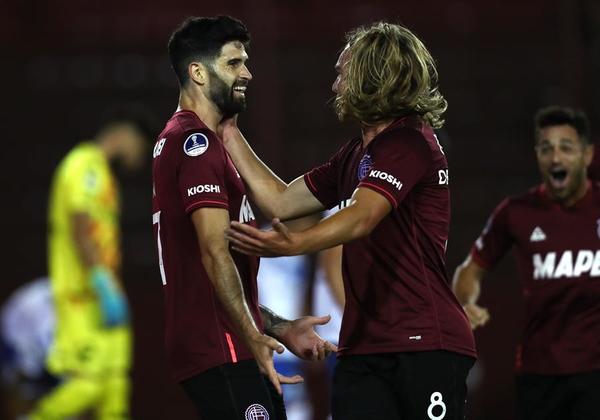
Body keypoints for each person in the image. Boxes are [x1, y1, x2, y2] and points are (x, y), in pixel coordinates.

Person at [222, 22, 476, 420]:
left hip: (424, 343)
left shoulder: (410, 142)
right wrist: (229, 129)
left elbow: (362, 217)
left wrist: (292, 245)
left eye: (343, 73)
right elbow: (281, 200)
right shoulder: (356, 154)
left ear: (373, 78)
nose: (336, 84)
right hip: (363, 348)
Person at [152, 16, 335, 420]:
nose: (247, 73)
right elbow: (214, 253)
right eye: (234, 63)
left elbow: (220, 266)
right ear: (197, 72)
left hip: (231, 342)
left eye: (245, 62)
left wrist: (278, 327)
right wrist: (252, 337)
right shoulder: (194, 143)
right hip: (222, 347)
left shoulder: (207, 142)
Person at [452, 106, 600, 420]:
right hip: (540, 373)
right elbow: (470, 269)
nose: (555, 158)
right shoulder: (516, 213)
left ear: (587, 156)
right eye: (547, 149)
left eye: (566, 148)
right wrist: (466, 302)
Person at [30, 107, 152, 420]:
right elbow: (80, 223)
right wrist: (101, 281)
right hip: (84, 296)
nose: (142, 156)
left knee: (115, 387)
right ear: (125, 134)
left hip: (106, 295)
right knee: (88, 385)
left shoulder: (104, 175)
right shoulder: (84, 164)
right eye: (142, 145)